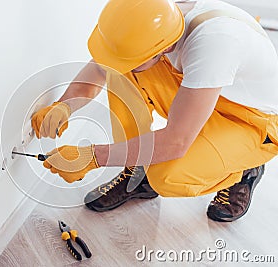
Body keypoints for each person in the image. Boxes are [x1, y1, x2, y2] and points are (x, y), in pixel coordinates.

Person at [31, 0, 278, 222]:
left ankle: (245, 169)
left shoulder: (215, 44)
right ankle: (136, 171)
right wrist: (64, 105)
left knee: (165, 175)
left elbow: (175, 141)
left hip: (251, 121)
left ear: (165, 49)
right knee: (124, 70)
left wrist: (93, 157)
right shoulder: (155, 21)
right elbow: (102, 67)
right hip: (205, 93)